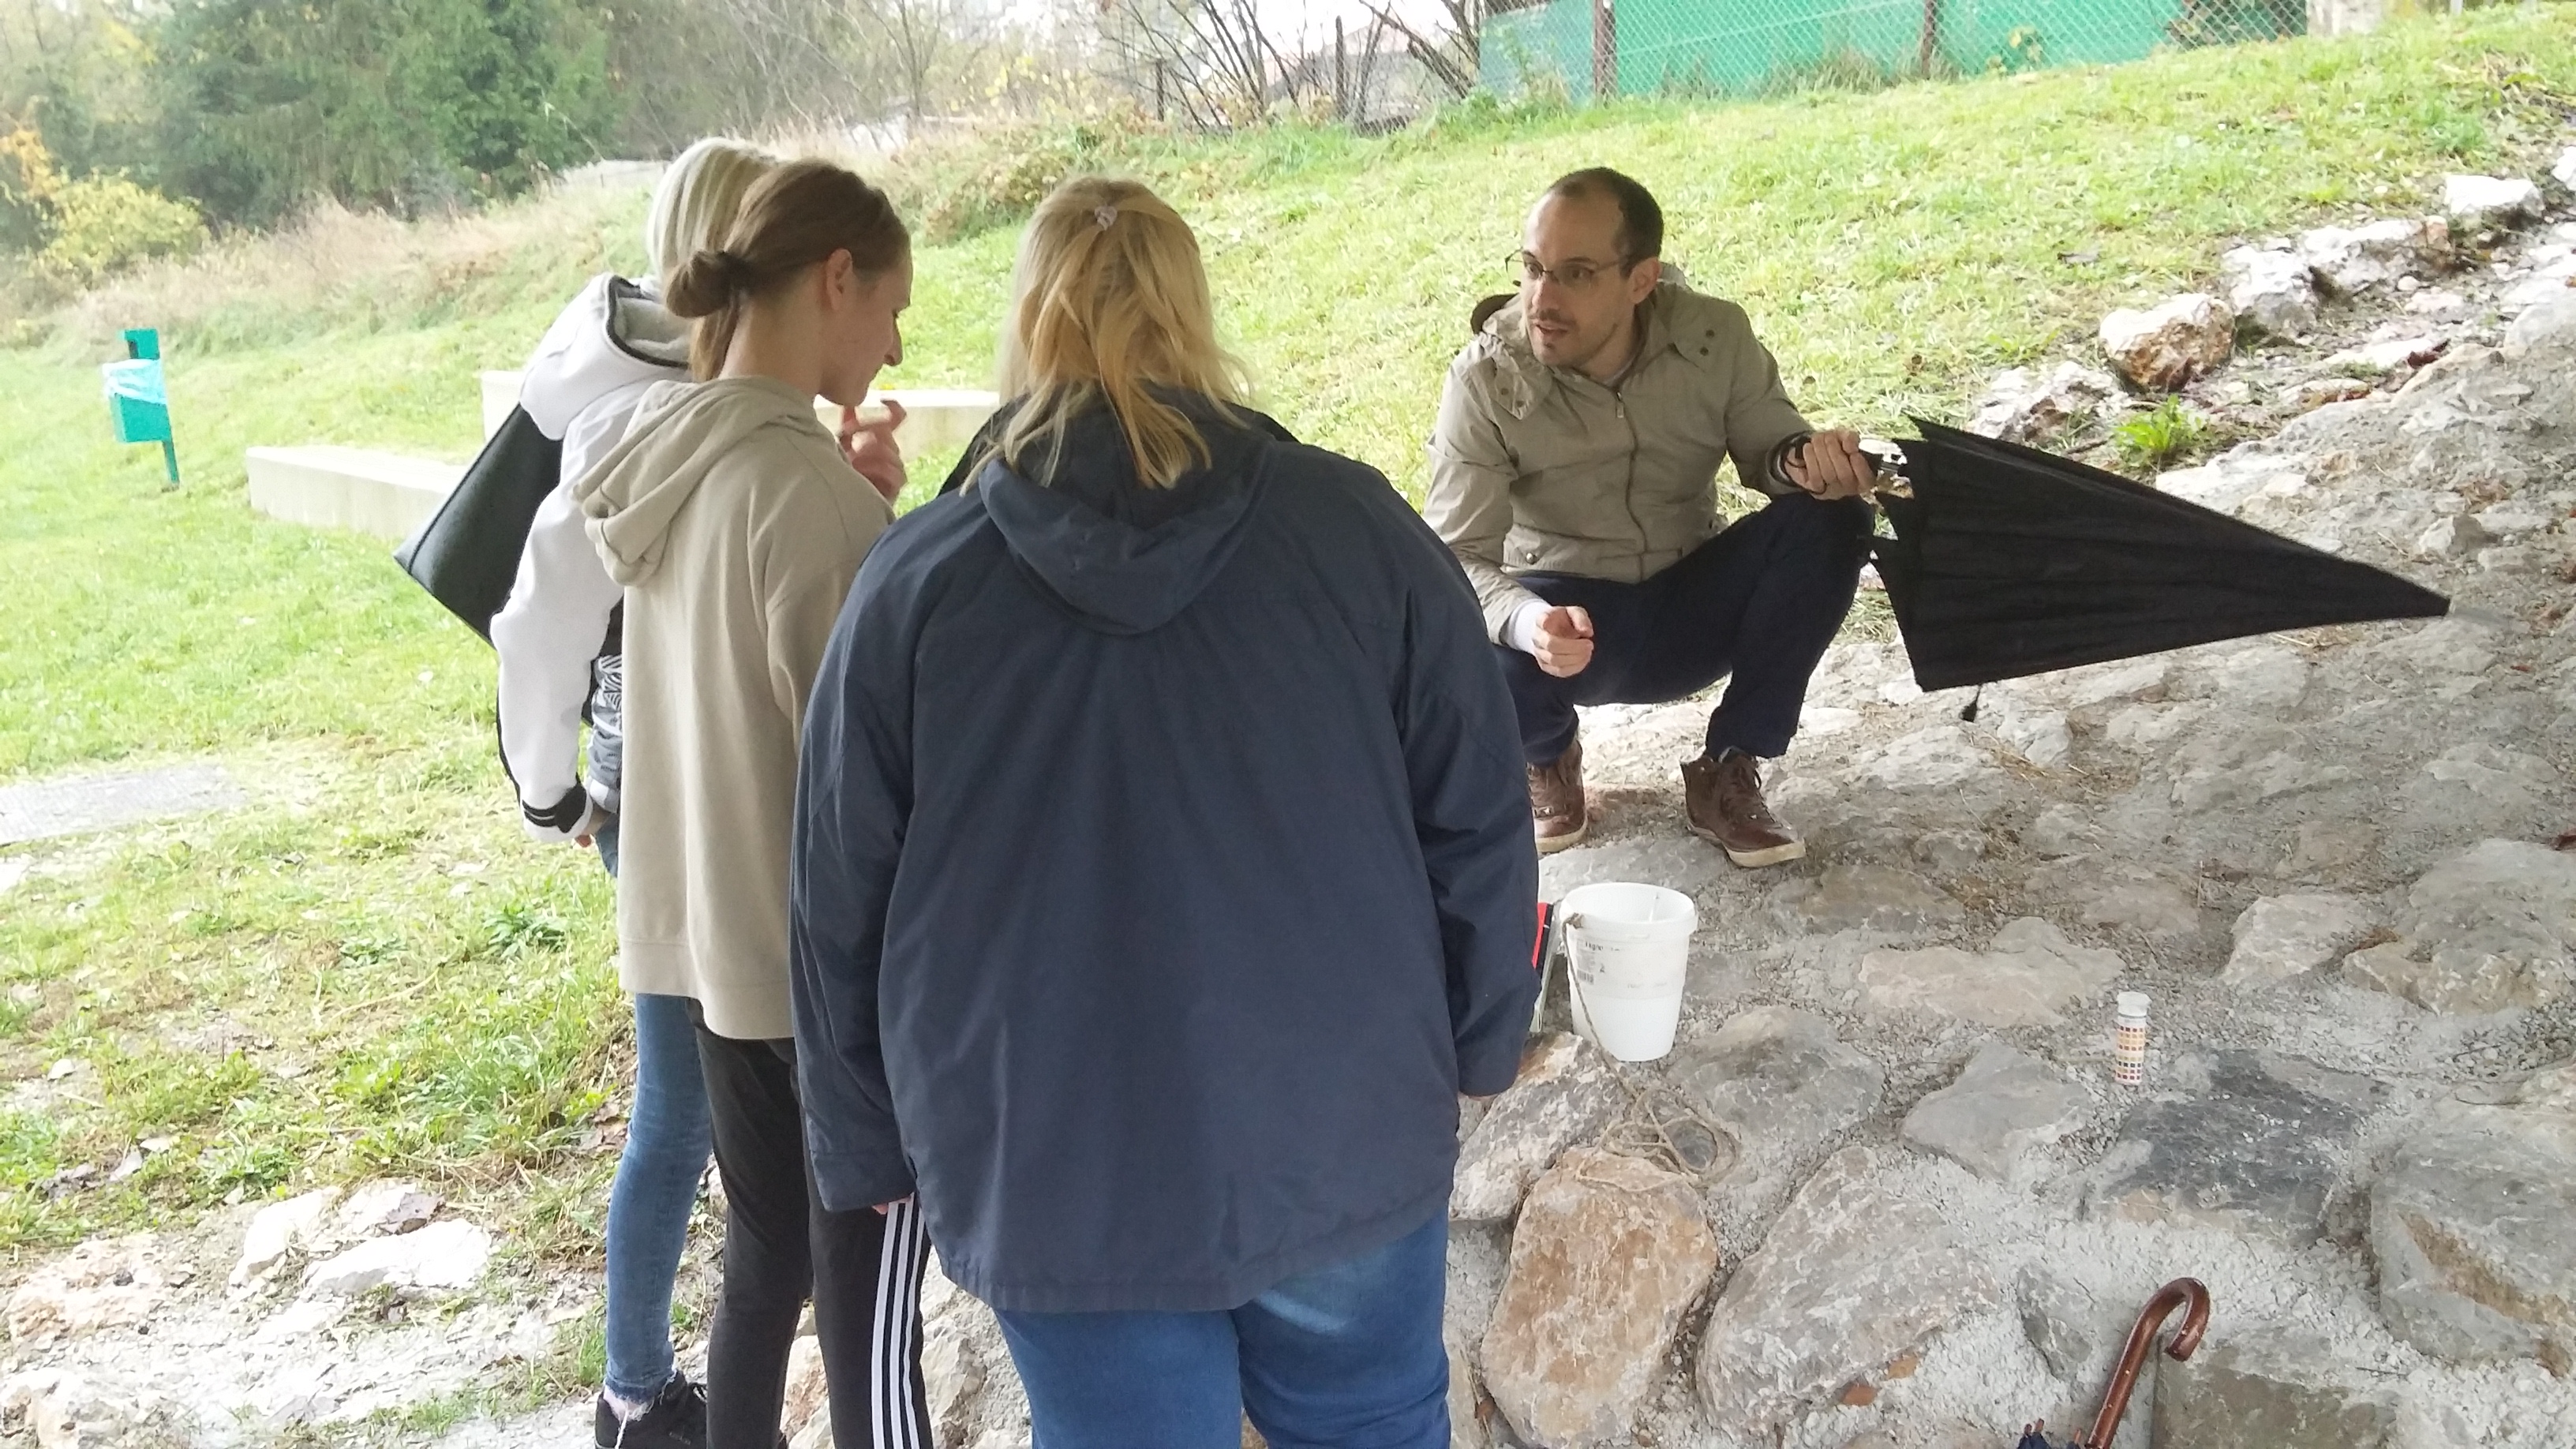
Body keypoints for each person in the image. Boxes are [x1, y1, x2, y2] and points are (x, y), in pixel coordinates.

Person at [788, 177, 1542, 1449]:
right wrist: (1480, 1044)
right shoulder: (1356, 528)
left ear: (1027, 325)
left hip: (1053, 1160)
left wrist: (865, 1145)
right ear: (1194, 318)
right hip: (1343, 1126)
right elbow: (1480, 814)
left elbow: (834, 904)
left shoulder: (914, 584)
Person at [572, 158, 927, 1449]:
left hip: (707, 952)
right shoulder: (808, 500)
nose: (893, 341)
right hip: (822, 979)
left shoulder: (672, 457)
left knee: (764, 1258)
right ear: (835, 278)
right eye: (891, 304)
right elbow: (879, 777)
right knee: (867, 1290)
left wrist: (864, 509)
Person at [489, 136, 779, 1449]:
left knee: (716, 1097)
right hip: (664, 805)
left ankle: (675, 1364)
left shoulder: (662, 381)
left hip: (691, 789)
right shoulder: (631, 409)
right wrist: (554, 800)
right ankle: (632, 1389)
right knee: (683, 1104)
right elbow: (537, 626)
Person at [1425, 167, 1880, 866]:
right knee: (1462, 621)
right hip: (1562, 621)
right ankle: (1546, 757)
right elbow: (1456, 556)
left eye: (1576, 274)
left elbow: (1771, 446)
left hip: (1688, 598)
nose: (1541, 299)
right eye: (1532, 269)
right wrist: (1526, 623)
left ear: (1642, 280)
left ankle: (1730, 766)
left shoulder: (1712, 336)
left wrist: (1806, 463)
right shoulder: (1484, 377)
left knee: (1831, 516)